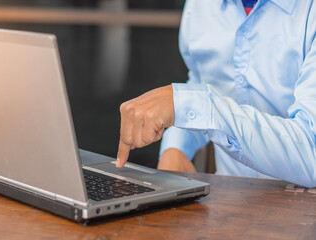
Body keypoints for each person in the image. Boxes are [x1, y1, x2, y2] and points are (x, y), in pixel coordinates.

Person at [115, 0, 316, 188]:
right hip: (229, 199)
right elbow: (203, 82)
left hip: (302, 208)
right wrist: (177, 147)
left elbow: (311, 152)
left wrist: (190, 104)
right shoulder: (199, 5)